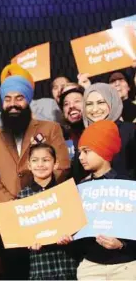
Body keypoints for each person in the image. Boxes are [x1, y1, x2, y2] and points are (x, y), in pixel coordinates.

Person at [0, 66, 70, 280]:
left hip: (47, 217)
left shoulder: (50, 128)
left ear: (28, 100)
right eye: (8, 99)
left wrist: (38, 201)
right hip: (10, 222)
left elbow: (63, 166)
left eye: (19, 98)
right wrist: (16, 207)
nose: (13, 104)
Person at [59, 120, 136, 280]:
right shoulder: (81, 188)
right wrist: (68, 239)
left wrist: (122, 245)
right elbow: (77, 232)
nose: (81, 157)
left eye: (87, 151)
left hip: (126, 266)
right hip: (90, 266)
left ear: (104, 150)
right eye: (80, 152)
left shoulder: (129, 185)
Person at [18, 143, 78, 280]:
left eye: (46, 160)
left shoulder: (65, 192)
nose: (40, 164)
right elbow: (22, 233)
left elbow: (75, 224)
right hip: (40, 265)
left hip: (66, 263)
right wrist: (28, 241)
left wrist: (71, 236)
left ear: (55, 164)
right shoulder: (23, 197)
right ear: (28, 165)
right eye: (35, 160)